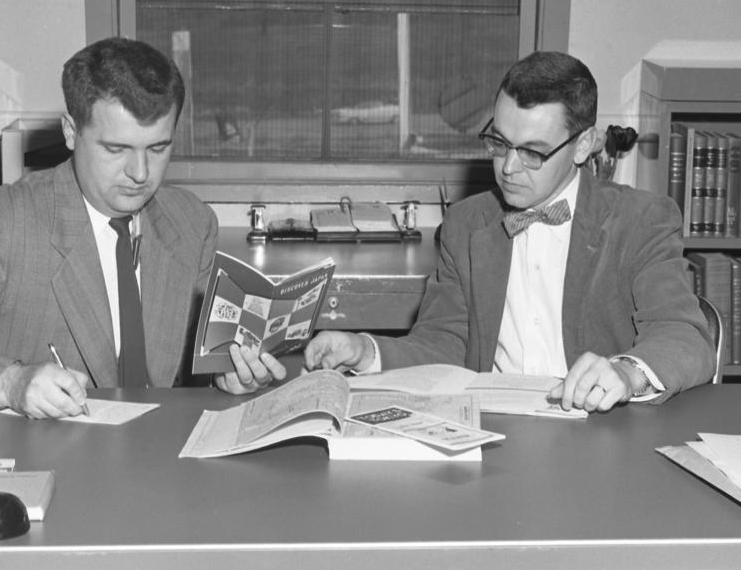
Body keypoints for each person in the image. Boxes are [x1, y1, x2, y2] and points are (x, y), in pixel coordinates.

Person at [223, 51, 715, 412]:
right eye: (499, 143)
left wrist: (626, 373)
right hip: (493, 433)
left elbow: (684, 336)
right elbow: (444, 344)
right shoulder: (466, 224)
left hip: (599, 438)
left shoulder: (639, 221)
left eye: (533, 152)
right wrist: (365, 350)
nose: (508, 168)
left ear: (584, 144)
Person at [0, 37, 227, 418]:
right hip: (46, 461)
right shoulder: (3, 222)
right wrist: (9, 382)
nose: (140, 174)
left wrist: (224, 374)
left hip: (158, 455)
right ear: (71, 132)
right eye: (115, 149)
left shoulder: (193, 223)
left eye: (158, 149)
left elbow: (196, 363)